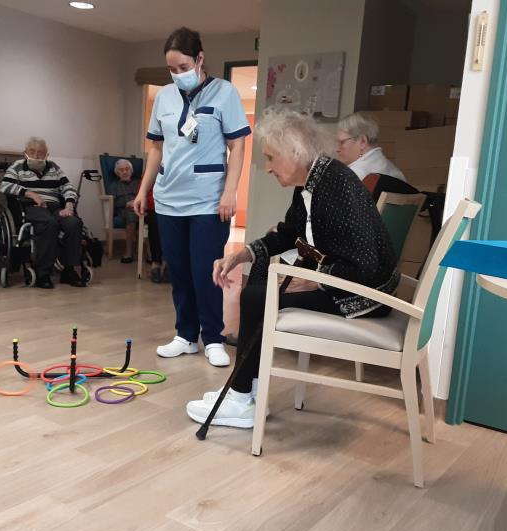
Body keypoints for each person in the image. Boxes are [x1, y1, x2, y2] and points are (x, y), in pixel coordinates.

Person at [186, 108, 400, 428]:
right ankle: (248, 389)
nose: (268, 167)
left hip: (365, 296)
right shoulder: (313, 181)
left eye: (271, 157)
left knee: (256, 298)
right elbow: (289, 234)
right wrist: (242, 255)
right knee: (258, 285)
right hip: (350, 283)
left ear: (295, 152)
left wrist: (314, 281)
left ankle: (242, 399)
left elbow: (365, 265)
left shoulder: (337, 185)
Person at [134, 27, 251, 368]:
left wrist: (230, 191)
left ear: (200, 59)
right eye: (172, 69)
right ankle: (185, 335)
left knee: (206, 272)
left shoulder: (225, 93)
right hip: (169, 198)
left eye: (183, 67)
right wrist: (143, 189)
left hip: (208, 200)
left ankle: (212, 338)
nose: (178, 74)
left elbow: (238, 146)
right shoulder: (165, 98)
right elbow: (157, 148)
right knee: (180, 273)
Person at [0, 137, 86, 288]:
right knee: (49, 223)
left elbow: (68, 187)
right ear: (25, 153)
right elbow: (5, 186)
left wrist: (69, 205)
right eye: (32, 151)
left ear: (46, 154)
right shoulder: (17, 166)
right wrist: (31, 194)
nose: (36, 155)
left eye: (40, 152)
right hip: (31, 207)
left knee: (74, 223)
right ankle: (43, 273)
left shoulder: (54, 167)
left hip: (55, 207)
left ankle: (69, 270)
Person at [336, 112, 406, 183]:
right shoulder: (388, 166)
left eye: (342, 142)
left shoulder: (355, 173)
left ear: (362, 142)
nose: (337, 149)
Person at [111, 159, 140, 264]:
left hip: (139, 208)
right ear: (117, 172)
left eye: (127, 169)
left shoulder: (138, 183)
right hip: (123, 210)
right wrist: (126, 203)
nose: (124, 172)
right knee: (131, 214)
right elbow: (113, 202)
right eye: (121, 170)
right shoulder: (114, 185)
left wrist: (136, 202)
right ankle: (129, 252)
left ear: (131, 171)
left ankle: (153, 254)